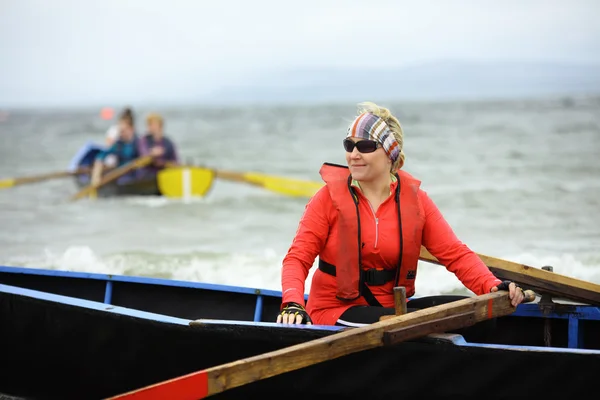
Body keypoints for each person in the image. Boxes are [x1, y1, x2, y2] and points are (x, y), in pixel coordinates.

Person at [277, 101, 526, 327]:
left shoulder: (416, 201)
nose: (354, 155)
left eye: (365, 146)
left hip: (394, 310)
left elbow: (455, 254)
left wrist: (491, 285)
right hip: (334, 310)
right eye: (349, 145)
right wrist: (292, 303)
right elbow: (297, 259)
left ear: (390, 155)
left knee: (476, 313)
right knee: (408, 323)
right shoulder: (326, 199)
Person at [90, 112, 141, 188]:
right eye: (120, 130)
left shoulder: (139, 142)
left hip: (137, 174)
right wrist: (96, 177)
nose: (121, 133)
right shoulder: (118, 144)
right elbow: (100, 157)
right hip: (123, 177)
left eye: (123, 130)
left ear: (131, 129)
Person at [137, 112, 179, 179]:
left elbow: (176, 162)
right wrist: (152, 154)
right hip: (148, 175)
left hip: (165, 174)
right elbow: (143, 155)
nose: (150, 127)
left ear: (160, 126)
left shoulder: (168, 142)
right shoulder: (144, 140)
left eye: (153, 124)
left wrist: (164, 163)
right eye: (149, 125)